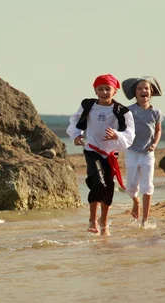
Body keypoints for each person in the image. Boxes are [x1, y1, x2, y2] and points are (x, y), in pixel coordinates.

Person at [67, 74, 135, 235]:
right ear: (95, 90)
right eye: (100, 89)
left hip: (111, 153)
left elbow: (130, 133)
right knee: (98, 183)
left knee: (108, 188)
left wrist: (116, 136)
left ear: (115, 91)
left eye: (108, 89)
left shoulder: (122, 111)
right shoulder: (88, 105)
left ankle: (103, 220)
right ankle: (92, 219)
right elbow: (76, 121)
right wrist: (76, 135)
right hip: (92, 150)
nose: (104, 92)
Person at [121, 76, 164, 228]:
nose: (143, 91)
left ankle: (145, 220)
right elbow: (123, 128)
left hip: (148, 154)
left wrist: (155, 144)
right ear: (135, 93)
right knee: (131, 187)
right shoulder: (129, 110)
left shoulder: (156, 112)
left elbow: (158, 130)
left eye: (146, 88)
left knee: (147, 186)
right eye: (140, 88)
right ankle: (135, 202)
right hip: (132, 151)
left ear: (151, 92)